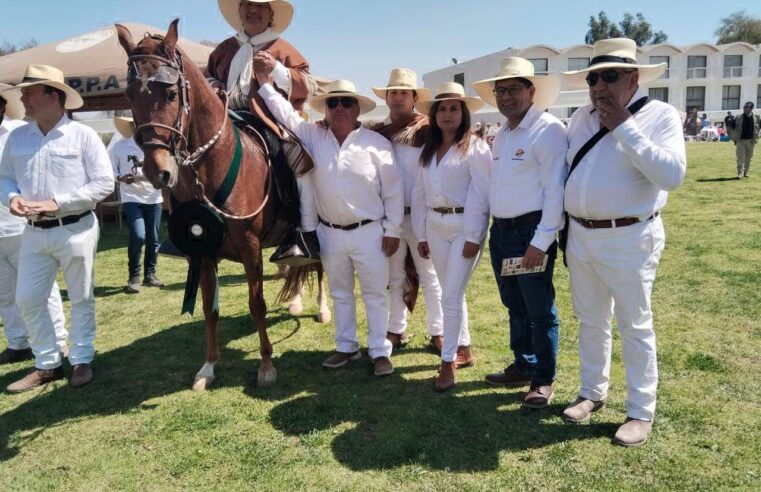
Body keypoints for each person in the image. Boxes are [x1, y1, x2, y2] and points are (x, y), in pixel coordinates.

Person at [561, 38, 686, 446]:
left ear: (632, 78)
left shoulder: (660, 115)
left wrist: (623, 127)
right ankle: (592, 392)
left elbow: (671, 176)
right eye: (593, 76)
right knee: (591, 319)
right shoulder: (579, 117)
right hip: (581, 235)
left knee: (634, 323)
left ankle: (640, 411)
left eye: (609, 75)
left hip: (630, 236)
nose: (599, 84)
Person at [256, 68, 403, 376]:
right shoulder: (313, 135)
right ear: (325, 108)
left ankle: (379, 351)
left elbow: (393, 192)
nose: (338, 109)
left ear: (357, 108)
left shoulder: (377, 144)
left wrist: (392, 230)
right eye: (332, 103)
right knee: (340, 293)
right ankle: (346, 346)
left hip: (371, 232)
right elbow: (286, 115)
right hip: (330, 234)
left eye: (345, 103)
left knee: (375, 294)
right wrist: (266, 84)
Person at [0, 65, 114, 391]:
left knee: (81, 297)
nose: (22, 98)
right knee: (27, 299)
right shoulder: (18, 137)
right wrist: (11, 198)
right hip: (33, 232)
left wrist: (58, 202)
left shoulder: (84, 136)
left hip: (76, 229)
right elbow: (5, 177)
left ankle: (80, 359)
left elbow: (105, 183)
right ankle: (47, 363)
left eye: (30, 92)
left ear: (53, 96)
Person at [472, 57, 567, 409]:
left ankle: (543, 379)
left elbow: (555, 190)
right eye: (500, 90)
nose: (506, 96)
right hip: (504, 231)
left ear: (531, 91)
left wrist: (540, 242)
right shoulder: (505, 134)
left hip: (531, 230)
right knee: (514, 302)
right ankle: (523, 364)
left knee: (539, 309)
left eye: (514, 88)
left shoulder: (547, 130)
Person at [205, 0, 318, 263]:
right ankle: (190, 223)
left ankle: (300, 232)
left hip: (269, 121)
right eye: (248, 5)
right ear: (240, 11)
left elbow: (309, 87)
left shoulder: (283, 48)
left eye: (260, 6)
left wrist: (277, 70)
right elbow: (207, 76)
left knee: (294, 159)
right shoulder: (225, 49)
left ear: (271, 14)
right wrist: (213, 85)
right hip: (225, 120)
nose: (253, 10)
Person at [411, 82, 491, 392]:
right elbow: (419, 194)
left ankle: (447, 363)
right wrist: (420, 233)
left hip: (463, 228)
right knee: (449, 291)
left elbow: (481, 194)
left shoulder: (476, 147)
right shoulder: (428, 150)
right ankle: (465, 348)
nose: (447, 114)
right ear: (433, 114)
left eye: (454, 108)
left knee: (451, 296)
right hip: (435, 226)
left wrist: (473, 234)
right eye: (442, 109)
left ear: (464, 113)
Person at [369, 68, 444, 352]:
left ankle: (438, 331)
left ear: (414, 97)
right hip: (389, 218)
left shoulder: (428, 130)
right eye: (393, 92)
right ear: (387, 98)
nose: (398, 97)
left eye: (404, 93)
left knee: (430, 275)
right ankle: (396, 329)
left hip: (420, 217)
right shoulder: (376, 134)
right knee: (394, 276)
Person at [0, 84, 67, 365]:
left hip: (22, 224)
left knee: (41, 288)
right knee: (4, 291)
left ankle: (59, 341)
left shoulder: (19, 133)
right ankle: (17, 342)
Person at [108, 116, 164, 293]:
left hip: (154, 197)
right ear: (131, 126)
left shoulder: (156, 145)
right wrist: (120, 178)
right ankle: (134, 276)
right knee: (138, 235)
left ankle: (150, 274)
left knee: (153, 239)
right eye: (134, 124)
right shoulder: (119, 147)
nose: (138, 126)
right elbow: (109, 170)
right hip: (131, 196)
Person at [729, 102, 760, 179]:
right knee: (740, 157)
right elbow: (731, 127)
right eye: (744, 107)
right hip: (741, 140)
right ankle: (740, 173)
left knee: (748, 158)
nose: (744, 108)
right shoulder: (738, 117)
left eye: (746, 107)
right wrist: (733, 137)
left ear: (751, 109)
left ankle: (746, 172)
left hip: (751, 141)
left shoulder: (757, 117)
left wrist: (758, 136)